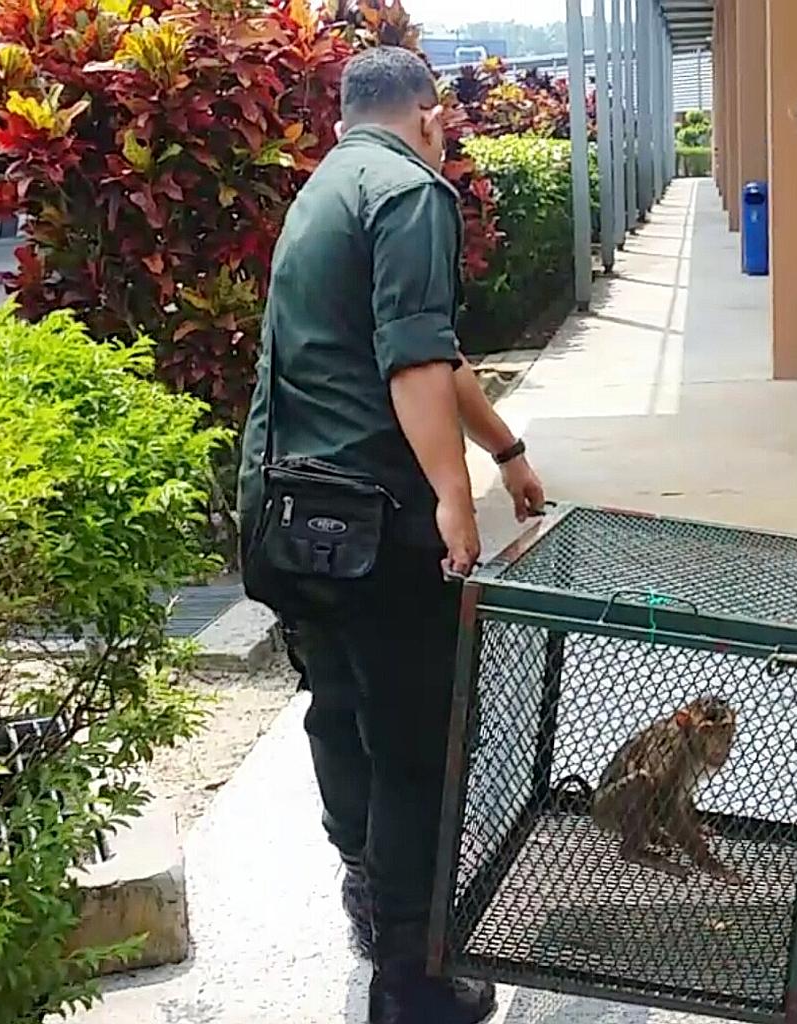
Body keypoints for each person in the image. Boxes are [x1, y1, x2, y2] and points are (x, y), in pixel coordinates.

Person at [236, 46, 545, 1024]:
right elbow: (415, 364)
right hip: (376, 523)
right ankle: (412, 983)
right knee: (417, 743)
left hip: (292, 519)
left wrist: (506, 448)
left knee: (339, 709)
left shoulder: (325, 186)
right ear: (427, 115)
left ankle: (369, 898)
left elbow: (429, 352)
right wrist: (455, 498)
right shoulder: (414, 191)